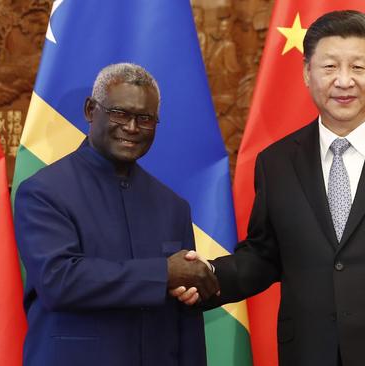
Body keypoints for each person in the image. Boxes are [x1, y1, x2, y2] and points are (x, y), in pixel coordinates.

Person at [175, 10, 365, 366]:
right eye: (330, 67)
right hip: (309, 353)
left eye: (358, 67)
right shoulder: (276, 163)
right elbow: (264, 256)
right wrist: (209, 277)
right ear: (307, 73)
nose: (344, 81)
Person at [14, 63, 218, 366]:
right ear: (90, 110)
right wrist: (163, 273)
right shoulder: (44, 192)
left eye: (145, 119)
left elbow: (185, 317)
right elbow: (59, 281)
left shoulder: (172, 206)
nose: (132, 128)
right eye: (120, 113)